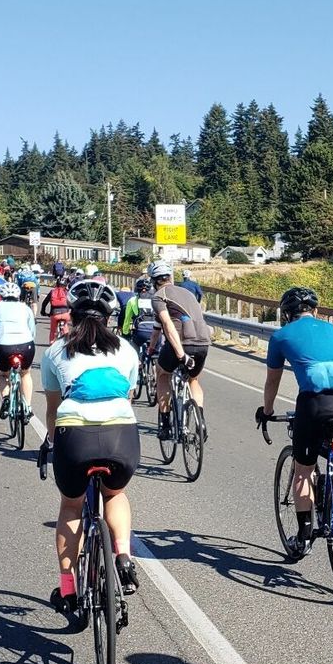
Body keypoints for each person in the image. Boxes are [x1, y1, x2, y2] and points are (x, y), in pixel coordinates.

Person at [40, 279, 141, 615]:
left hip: (74, 435)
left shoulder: (56, 350)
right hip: (120, 433)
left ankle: (68, 588)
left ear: (71, 315)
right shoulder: (127, 349)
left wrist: (50, 442)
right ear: (109, 317)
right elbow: (127, 398)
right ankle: (123, 555)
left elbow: (53, 409)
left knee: (71, 506)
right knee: (115, 494)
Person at [257, 287, 333, 555]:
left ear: (286, 314)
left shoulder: (280, 336)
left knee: (303, 470)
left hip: (315, 401)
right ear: (315, 311)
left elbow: (272, 381)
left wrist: (267, 411)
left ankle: (303, 537)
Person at [148, 261, 213, 440]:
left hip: (182, 342)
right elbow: (159, 326)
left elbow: (167, 324)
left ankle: (165, 424)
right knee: (193, 379)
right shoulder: (188, 293)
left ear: (153, 281)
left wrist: (180, 354)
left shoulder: (158, 297)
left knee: (162, 373)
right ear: (171, 277)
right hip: (203, 342)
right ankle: (200, 422)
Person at [0, 281, 38, 421]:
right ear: (18, 295)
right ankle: (28, 407)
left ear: (1, 296)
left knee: (3, 375)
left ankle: (6, 398)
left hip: (4, 346)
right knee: (25, 374)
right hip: (26, 344)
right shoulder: (25, 308)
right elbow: (32, 330)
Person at [120, 278, 157, 358]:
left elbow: (127, 319)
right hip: (156, 332)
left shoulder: (132, 300)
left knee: (134, 347)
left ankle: (137, 361)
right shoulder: (155, 299)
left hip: (141, 331)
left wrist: (125, 333)